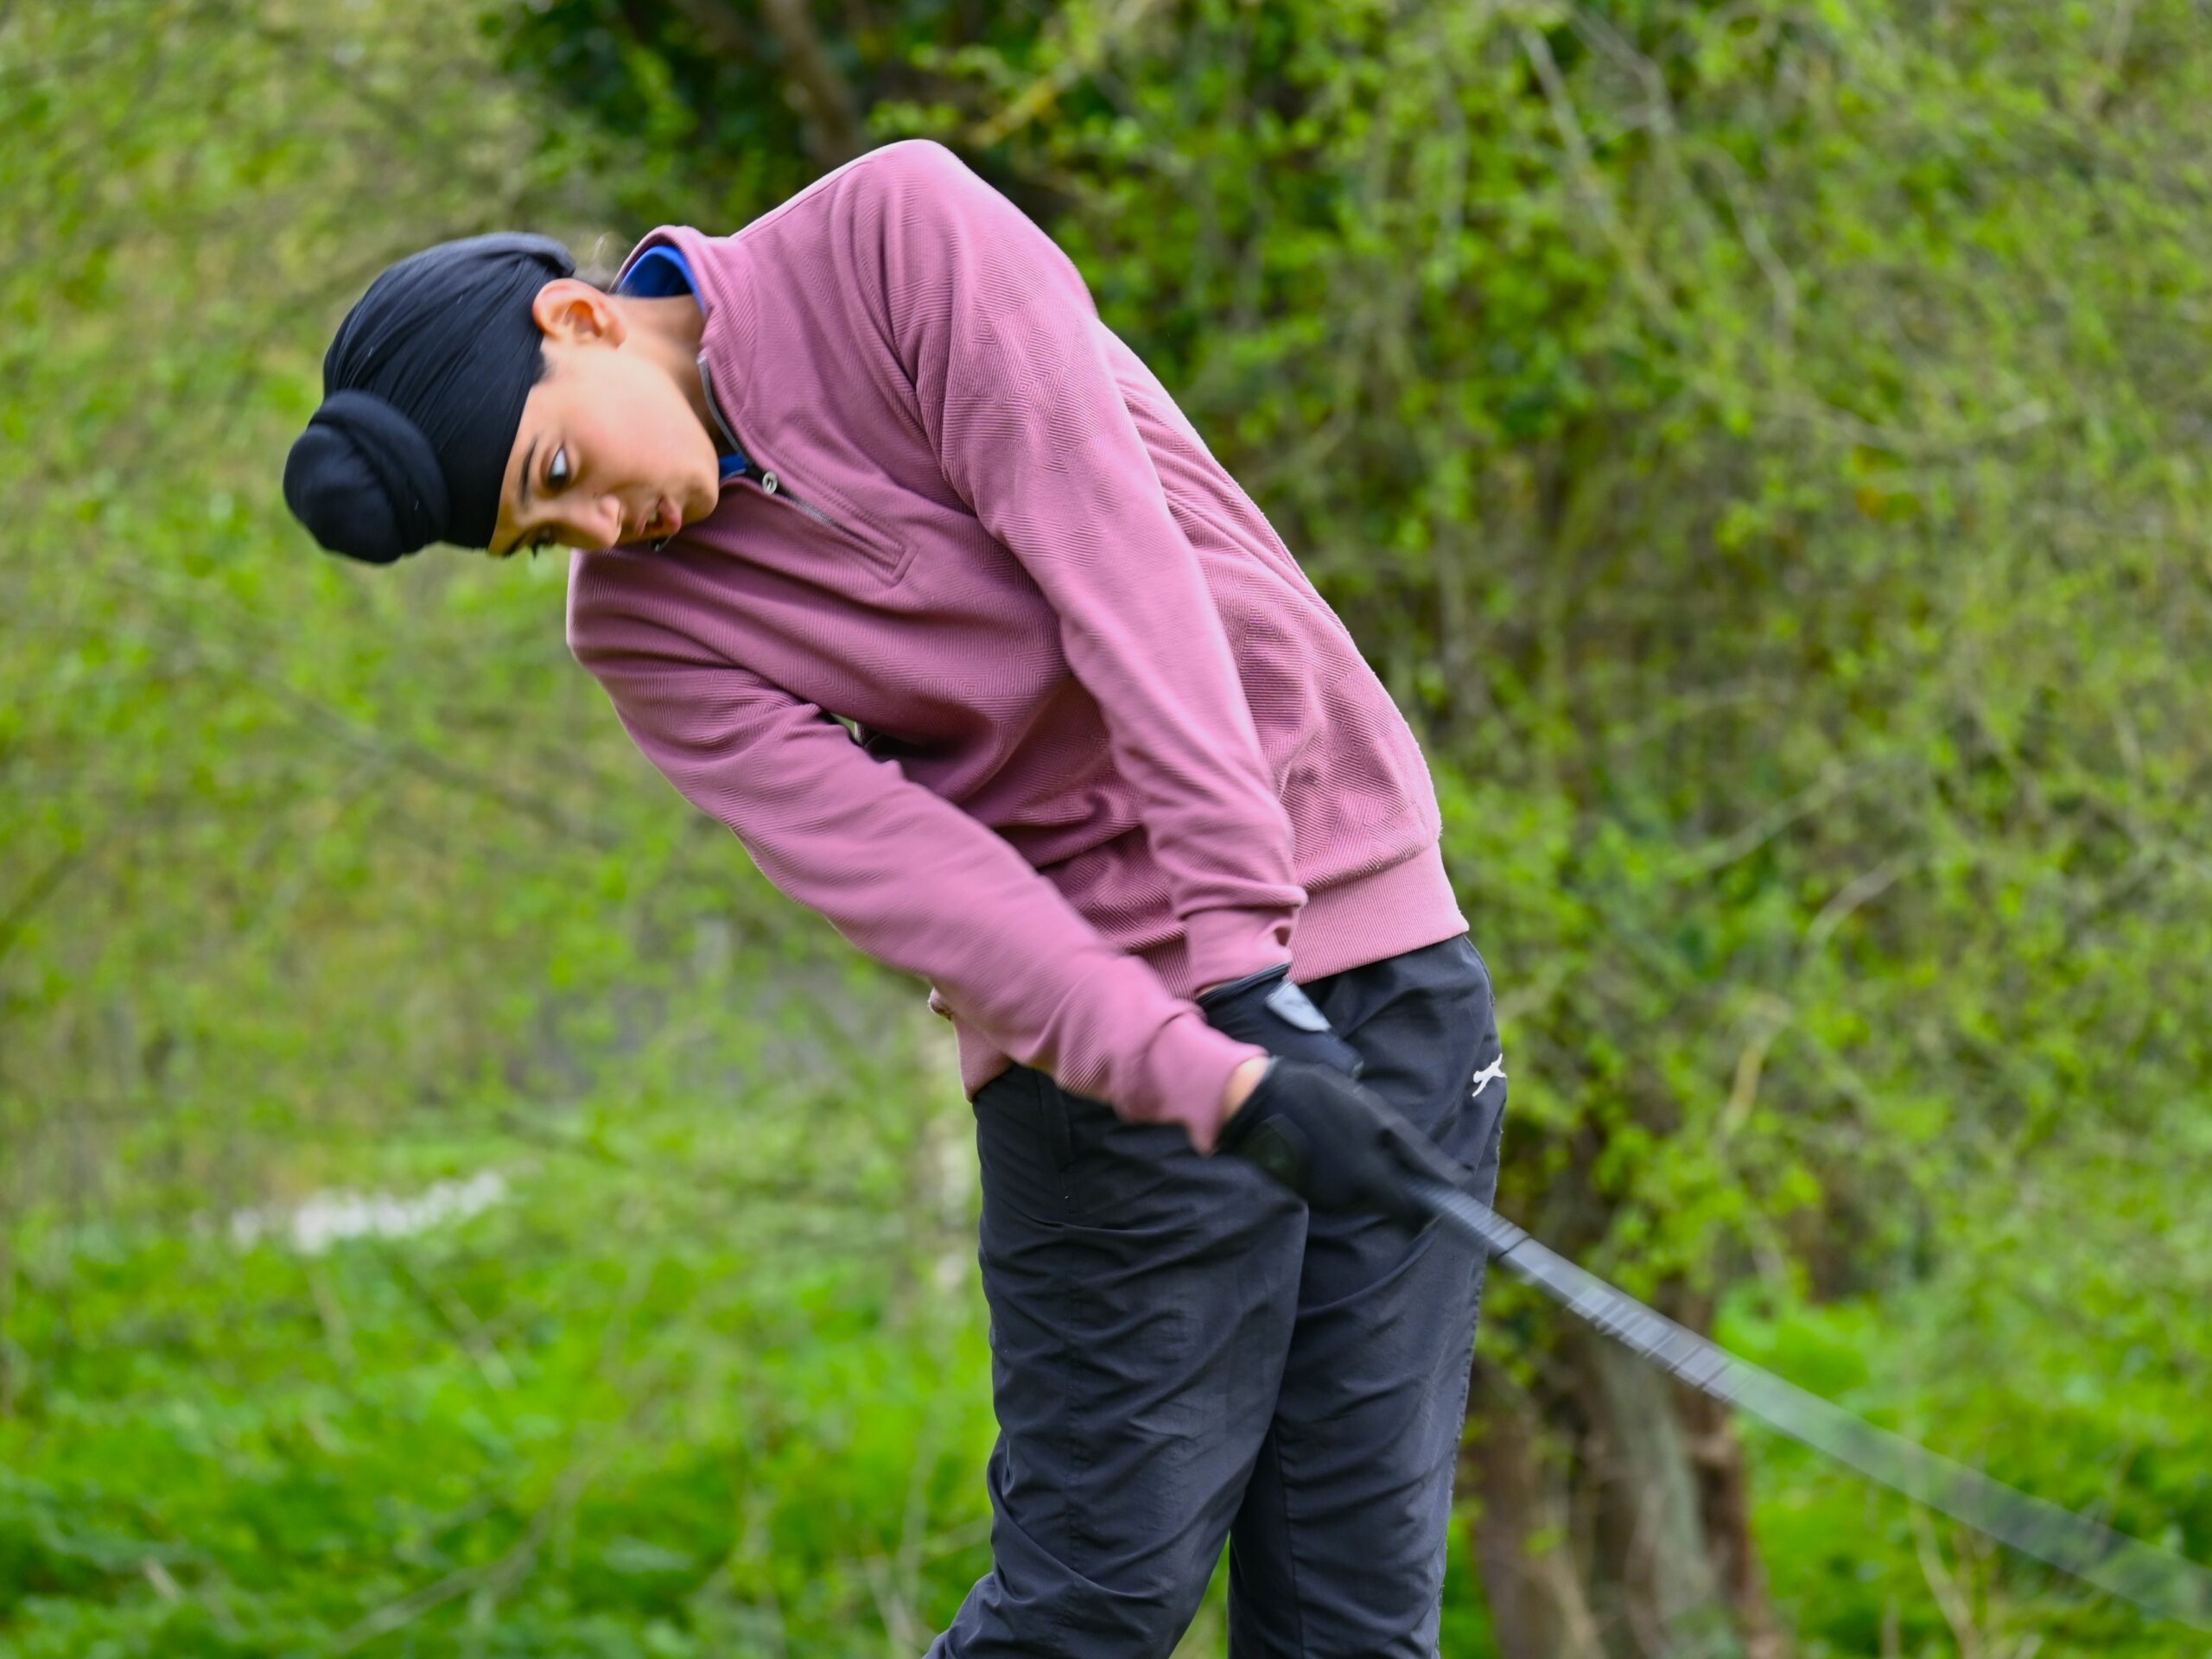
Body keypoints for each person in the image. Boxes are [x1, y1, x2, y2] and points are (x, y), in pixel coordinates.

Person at [283, 137, 1510, 1657]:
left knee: (1355, 1621)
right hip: (1102, 1069)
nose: (594, 533)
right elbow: (937, 898)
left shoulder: (896, 238)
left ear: (580, 321)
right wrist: (1217, 1060)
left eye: (558, 474)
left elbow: (1119, 573)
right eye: (542, 539)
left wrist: (1249, 959)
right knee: (1093, 1607)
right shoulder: (646, 636)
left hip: (1380, 956)